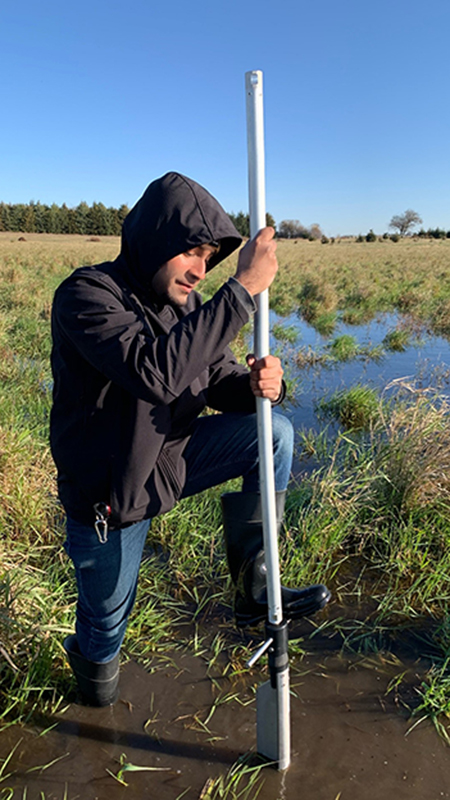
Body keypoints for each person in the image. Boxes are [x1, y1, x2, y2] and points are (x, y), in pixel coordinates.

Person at [50, 172, 330, 706]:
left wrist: (260, 385)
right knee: (105, 629)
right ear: (155, 239)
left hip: (171, 463)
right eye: (190, 252)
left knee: (272, 432)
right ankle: (91, 694)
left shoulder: (187, 308)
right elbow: (154, 373)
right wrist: (242, 291)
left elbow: (217, 379)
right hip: (111, 496)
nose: (201, 268)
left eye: (209, 256)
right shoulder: (86, 295)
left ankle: (255, 584)